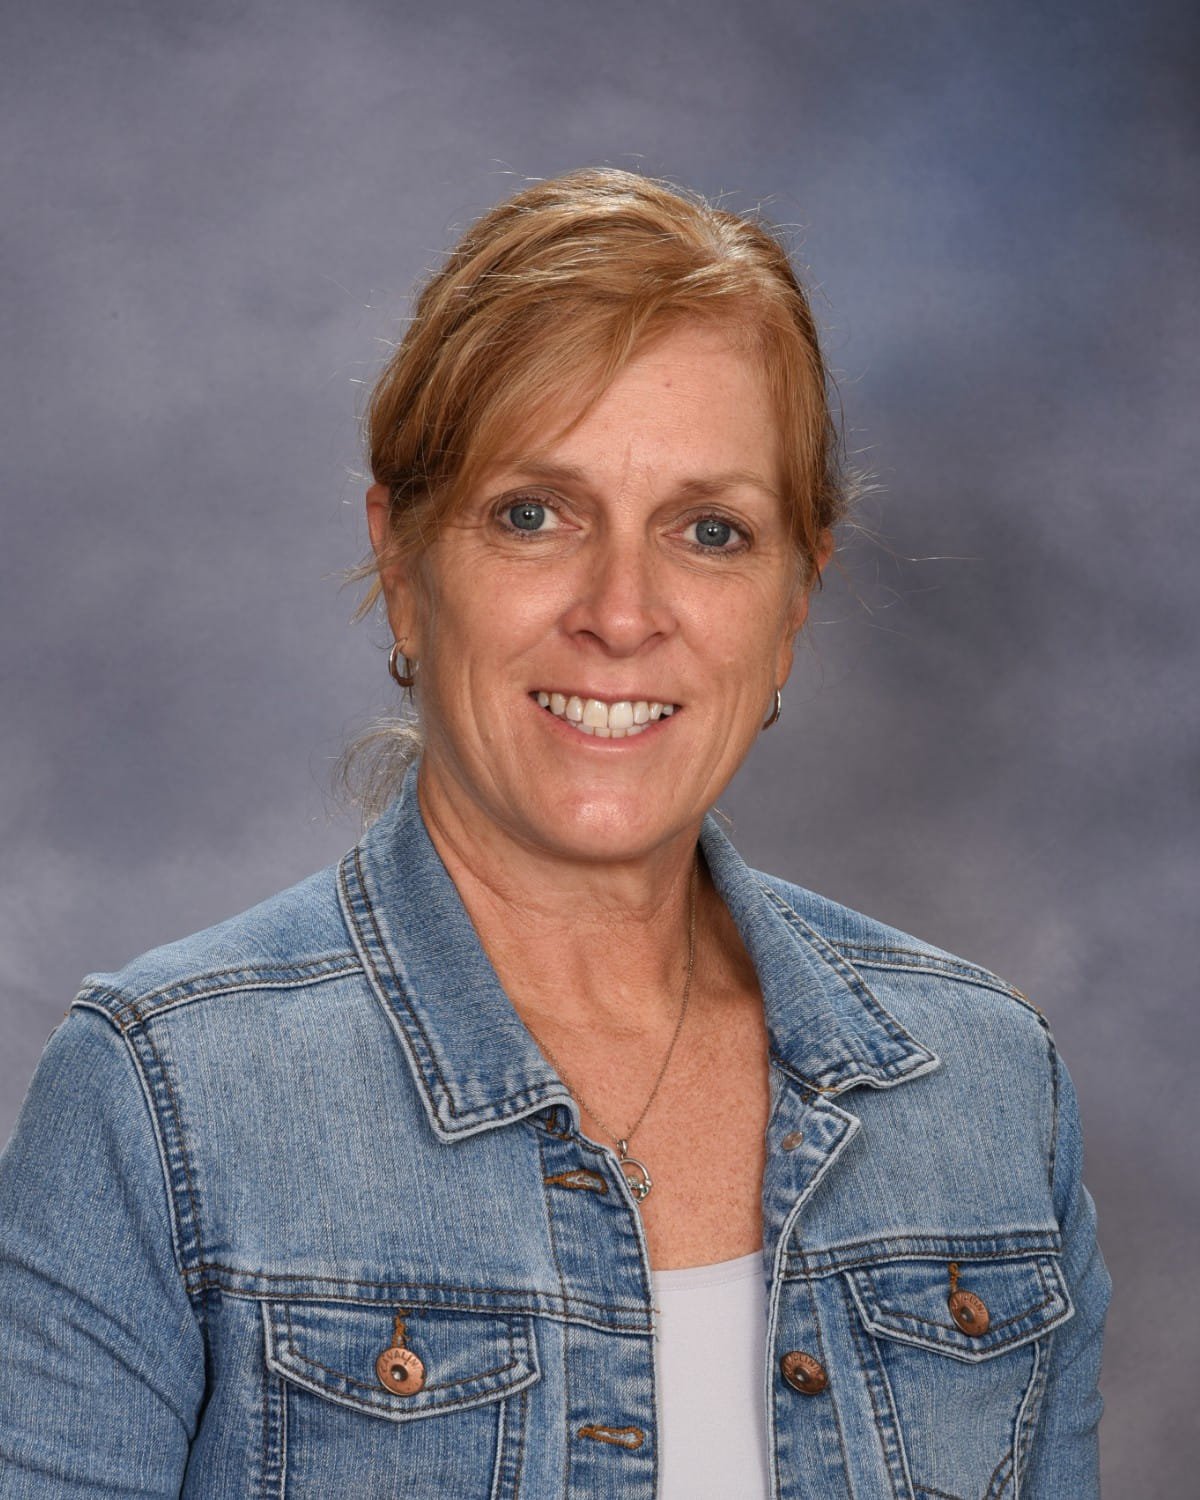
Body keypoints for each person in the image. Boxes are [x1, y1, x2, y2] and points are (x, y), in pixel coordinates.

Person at [0, 168, 1108, 1499]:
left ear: (794, 607)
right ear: (404, 568)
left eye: (711, 531)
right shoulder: (161, 1098)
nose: (621, 610)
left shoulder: (986, 1092)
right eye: (534, 515)